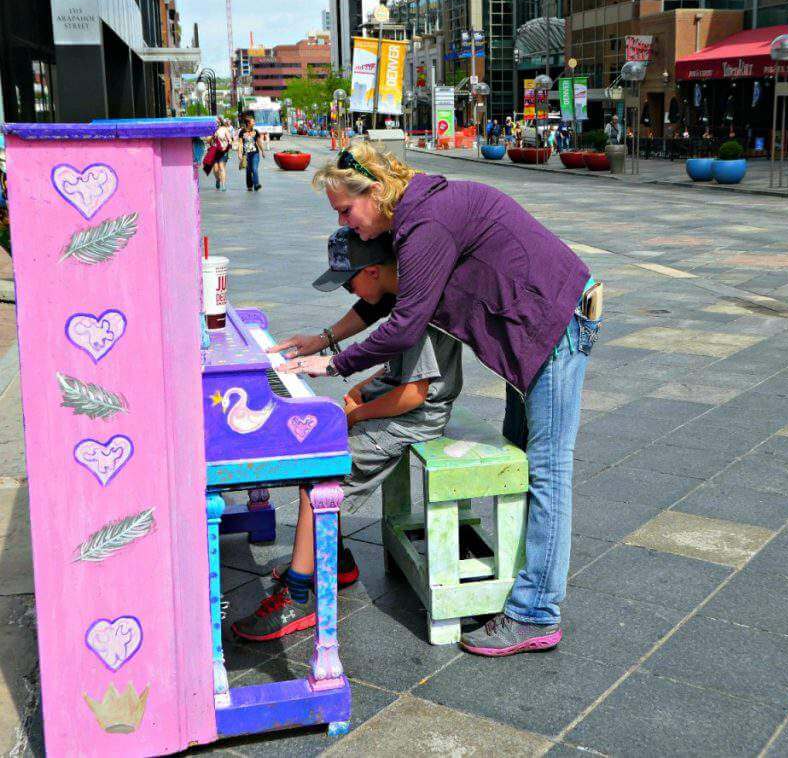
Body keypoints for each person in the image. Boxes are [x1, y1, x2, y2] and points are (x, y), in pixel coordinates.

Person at [276, 143, 600, 657]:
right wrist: (323, 340)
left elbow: (404, 326)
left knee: (546, 472)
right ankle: (523, 587)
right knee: (526, 462)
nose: (345, 221)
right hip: (532, 331)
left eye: (345, 210)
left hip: (552, 325)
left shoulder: (425, 225)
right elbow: (387, 298)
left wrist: (334, 365)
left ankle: (536, 612)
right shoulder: (412, 218)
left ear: (376, 193)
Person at [233, 227, 463, 641]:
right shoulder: (409, 294)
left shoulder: (416, 312)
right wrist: (361, 389)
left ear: (374, 272)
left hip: (413, 418)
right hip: (395, 402)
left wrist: (357, 416)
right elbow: (402, 372)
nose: (348, 292)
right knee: (320, 449)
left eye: (350, 281)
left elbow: (413, 393)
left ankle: (298, 596)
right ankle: (334, 561)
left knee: (319, 473)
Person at [238, 117, 264, 192]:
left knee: (254, 169)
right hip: (246, 154)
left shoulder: (256, 131)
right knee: (248, 170)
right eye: (253, 121)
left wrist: (262, 151)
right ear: (248, 123)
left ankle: (256, 184)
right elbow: (240, 143)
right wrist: (239, 153)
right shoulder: (242, 132)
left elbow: (259, 142)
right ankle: (249, 185)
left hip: (255, 153)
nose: (254, 122)